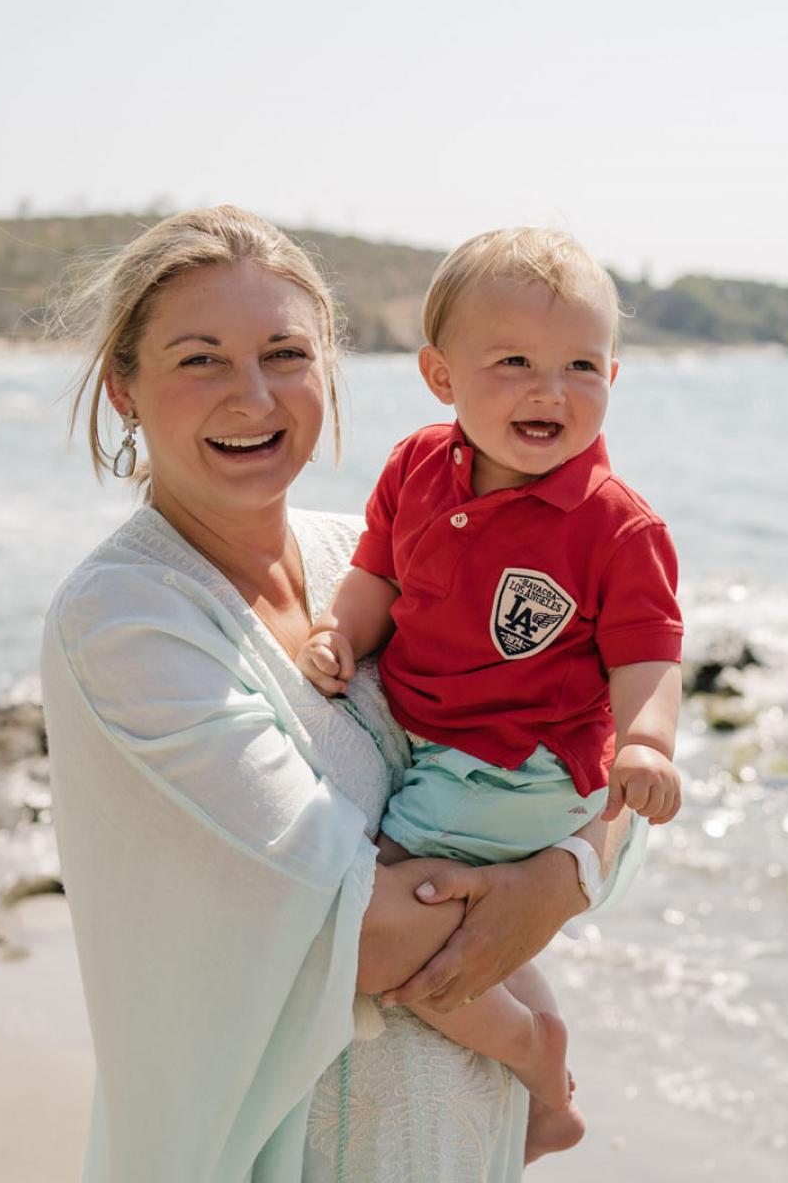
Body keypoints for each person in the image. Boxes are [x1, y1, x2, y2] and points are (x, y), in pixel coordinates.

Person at [38, 206, 644, 1182]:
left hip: (458, 1143)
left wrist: (564, 873)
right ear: (124, 387)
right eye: (200, 359)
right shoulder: (129, 622)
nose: (253, 396)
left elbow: (598, 745)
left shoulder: (380, 561)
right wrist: (539, 893)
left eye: (284, 352)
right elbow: (359, 933)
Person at [294, 227, 683, 1143]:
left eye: (581, 365)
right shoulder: (418, 466)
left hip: (523, 766)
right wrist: (338, 632)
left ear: (613, 381)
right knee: (465, 925)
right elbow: (378, 573)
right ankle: (550, 1099)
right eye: (513, 361)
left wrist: (648, 744)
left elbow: (649, 653)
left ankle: (527, 1057)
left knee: (375, 932)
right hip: (439, 749)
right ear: (442, 375)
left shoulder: (614, 527)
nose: (551, 389)